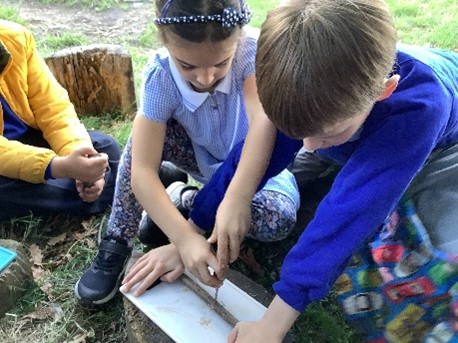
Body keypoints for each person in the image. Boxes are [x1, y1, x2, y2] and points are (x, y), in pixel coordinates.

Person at [224, 0, 458, 342]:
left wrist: (271, 324)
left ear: (384, 90)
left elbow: (348, 213)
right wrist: (206, 216)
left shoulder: (420, 109)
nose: (307, 146)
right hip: (351, 121)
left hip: (438, 147)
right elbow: (264, 146)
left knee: (422, 233)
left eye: (322, 135)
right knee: (316, 148)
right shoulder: (322, 99)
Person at [75, 0, 300, 305]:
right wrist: (184, 240)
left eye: (221, 63)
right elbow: (141, 170)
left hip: (258, 172)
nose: (206, 79)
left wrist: (237, 197)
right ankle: (118, 236)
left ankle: (182, 198)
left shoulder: (254, 54)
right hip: (199, 159)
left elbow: (264, 127)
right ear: (165, 41)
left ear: (239, 39)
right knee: (144, 136)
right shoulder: (161, 76)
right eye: (187, 66)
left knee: (279, 219)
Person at [0, 19, 120, 222]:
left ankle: (115, 180)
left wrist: (81, 153)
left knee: (105, 146)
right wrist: (57, 166)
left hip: (25, 139)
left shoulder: (15, 38)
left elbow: (53, 107)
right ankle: (131, 182)